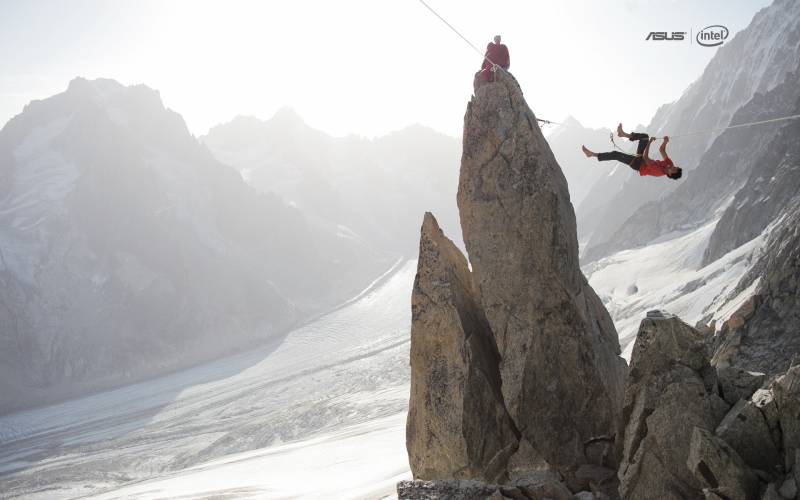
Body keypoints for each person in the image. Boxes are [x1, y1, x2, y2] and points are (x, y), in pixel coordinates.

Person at [581, 124, 683, 180]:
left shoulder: (658, 172)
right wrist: (665, 142)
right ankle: (623, 134)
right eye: (675, 167)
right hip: (642, 159)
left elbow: (645, 157)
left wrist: (650, 143)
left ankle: (592, 155)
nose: (673, 167)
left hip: (638, 164)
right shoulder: (670, 164)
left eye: (673, 170)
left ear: (669, 174)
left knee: (616, 154)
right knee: (644, 137)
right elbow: (662, 150)